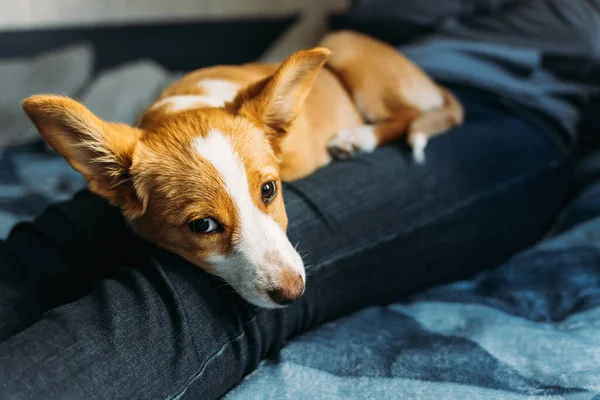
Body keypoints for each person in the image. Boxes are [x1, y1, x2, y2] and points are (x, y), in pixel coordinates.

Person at [0, 1, 597, 397]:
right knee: (62, 239)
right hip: (316, 76)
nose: (284, 271)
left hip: (507, 110)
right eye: (209, 225)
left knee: (192, 298)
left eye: (268, 192)